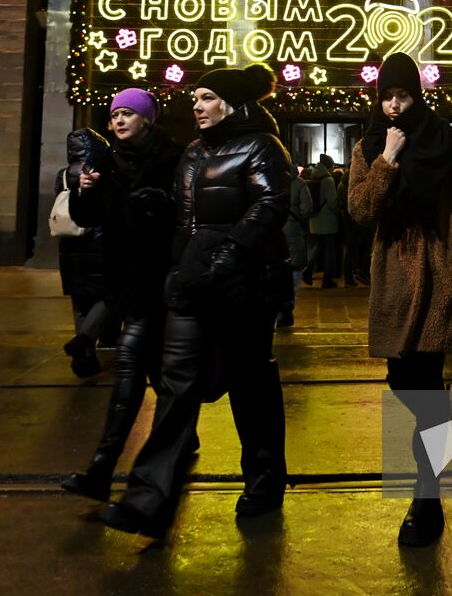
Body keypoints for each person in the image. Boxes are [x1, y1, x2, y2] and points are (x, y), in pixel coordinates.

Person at [100, 64, 291, 538]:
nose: (198, 107)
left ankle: (265, 481)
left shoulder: (261, 146)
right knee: (177, 388)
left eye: (206, 98)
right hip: (190, 286)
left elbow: (269, 206)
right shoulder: (191, 154)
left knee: (251, 387)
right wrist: (165, 234)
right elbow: (186, 219)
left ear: (229, 102)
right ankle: (147, 499)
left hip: (244, 289)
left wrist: (228, 254)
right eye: (195, 100)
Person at [348, 52, 452, 547]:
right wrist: (386, 159)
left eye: (403, 96)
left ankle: (426, 499)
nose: (395, 106)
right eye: (387, 97)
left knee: (425, 380)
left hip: (441, 271)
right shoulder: (368, 146)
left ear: (417, 95)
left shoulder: (449, 139)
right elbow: (360, 211)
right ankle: (439, 429)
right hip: (394, 279)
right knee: (405, 382)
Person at [61, 88, 183, 499]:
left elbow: (188, 212)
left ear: (147, 118)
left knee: (132, 365)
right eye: (114, 115)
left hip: (162, 281)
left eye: (128, 114)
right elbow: (84, 217)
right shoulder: (108, 163)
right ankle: (181, 441)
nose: (118, 121)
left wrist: (162, 205)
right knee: (156, 375)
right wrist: (84, 190)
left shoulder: (173, 158)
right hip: (125, 281)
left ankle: (102, 469)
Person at [55, 129, 112, 376]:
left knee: (79, 301)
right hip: (97, 242)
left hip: (69, 245)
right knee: (108, 294)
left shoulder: (64, 174)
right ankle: (86, 339)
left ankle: (85, 359)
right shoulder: (105, 171)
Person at [280, 167, 313, 328]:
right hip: (294, 231)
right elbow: (307, 209)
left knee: (275, 270)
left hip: (275, 232)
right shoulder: (299, 184)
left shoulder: (272, 180)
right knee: (294, 269)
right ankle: (287, 307)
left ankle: (278, 309)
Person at [305, 155, 342, 289]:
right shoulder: (328, 180)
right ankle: (327, 279)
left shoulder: (313, 176)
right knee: (330, 250)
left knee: (318, 246)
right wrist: (339, 211)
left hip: (315, 219)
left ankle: (308, 270)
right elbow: (332, 202)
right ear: (329, 166)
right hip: (327, 220)